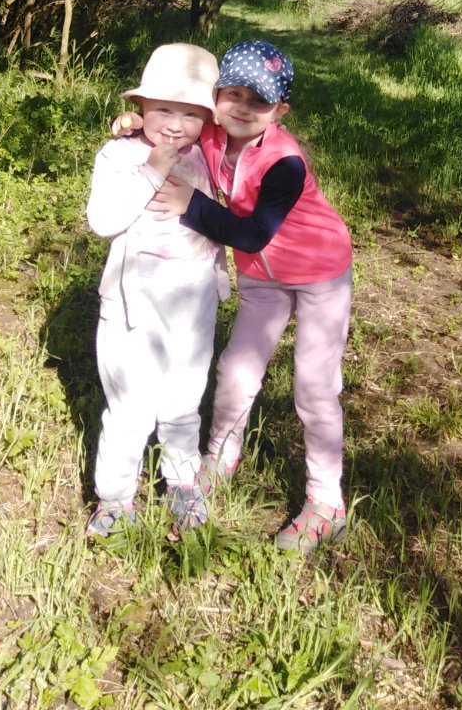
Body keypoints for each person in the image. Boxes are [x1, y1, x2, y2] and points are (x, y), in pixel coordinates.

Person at [151, 39, 353, 553]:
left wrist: (190, 204)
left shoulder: (285, 163)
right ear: (216, 97)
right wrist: (132, 125)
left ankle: (326, 503)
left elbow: (253, 234)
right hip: (263, 279)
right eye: (233, 94)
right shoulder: (213, 132)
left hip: (320, 273)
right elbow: (173, 126)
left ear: (279, 111)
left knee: (314, 387)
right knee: (236, 371)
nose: (242, 107)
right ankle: (220, 460)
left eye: (259, 100)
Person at [84, 42, 228, 538]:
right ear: (140, 106)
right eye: (163, 109)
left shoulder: (208, 154)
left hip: (193, 298)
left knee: (185, 399)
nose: (175, 125)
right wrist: (152, 168)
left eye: (191, 114)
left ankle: (183, 483)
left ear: (208, 120)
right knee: (130, 405)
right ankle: (115, 498)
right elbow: (104, 220)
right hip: (134, 305)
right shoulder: (120, 155)